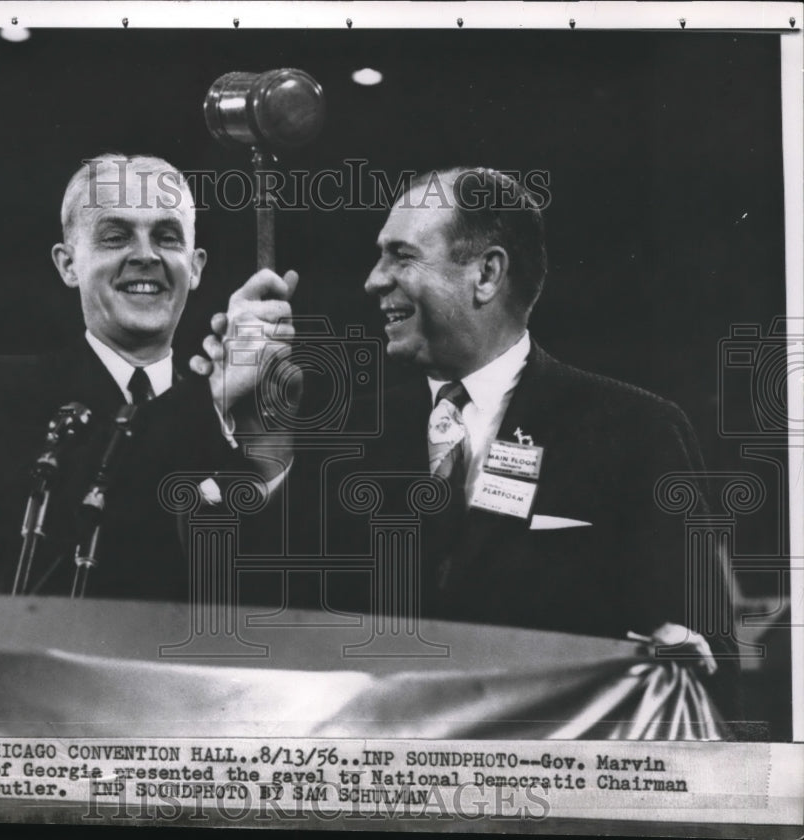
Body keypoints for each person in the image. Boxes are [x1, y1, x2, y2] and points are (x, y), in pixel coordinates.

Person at [199, 166, 738, 708]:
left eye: (402, 256)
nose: (373, 279)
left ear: (486, 274)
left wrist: (682, 650)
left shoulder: (637, 432)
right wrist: (263, 448)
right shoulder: (342, 438)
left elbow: (710, 661)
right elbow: (264, 623)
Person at [0, 154, 295, 599]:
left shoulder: (221, 422)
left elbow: (273, 595)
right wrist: (212, 395)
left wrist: (268, 455)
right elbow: (68, 524)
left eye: (166, 237)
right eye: (115, 237)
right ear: (68, 264)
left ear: (196, 266)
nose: (145, 255)